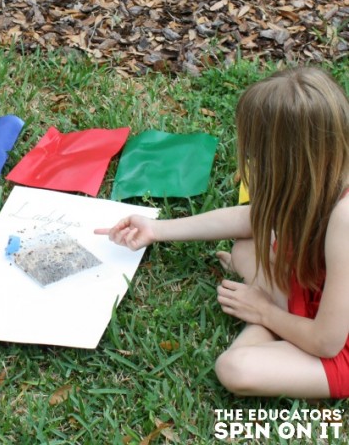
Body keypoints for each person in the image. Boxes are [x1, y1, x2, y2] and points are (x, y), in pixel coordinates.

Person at [96, 67, 349, 399]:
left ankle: (268, 324)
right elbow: (252, 220)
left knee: (236, 368)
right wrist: (156, 230)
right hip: (316, 295)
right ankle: (275, 319)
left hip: (336, 343)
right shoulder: (323, 175)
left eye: (256, 152)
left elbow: (327, 341)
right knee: (245, 250)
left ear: (286, 158)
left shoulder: (345, 217)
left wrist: (262, 312)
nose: (249, 159)